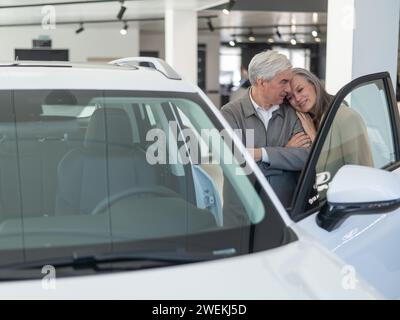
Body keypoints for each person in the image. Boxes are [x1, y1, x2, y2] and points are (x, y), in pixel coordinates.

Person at [220, 51, 310, 208]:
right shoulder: (230, 113)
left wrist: (260, 154)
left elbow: (305, 158)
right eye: (283, 81)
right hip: (242, 211)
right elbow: (234, 164)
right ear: (262, 82)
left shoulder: (293, 112)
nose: (289, 89)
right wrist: (284, 153)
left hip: (286, 210)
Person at [287, 68, 374, 189]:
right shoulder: (304, 122)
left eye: (300, 90)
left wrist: (314, 136)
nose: (297, 98)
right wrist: (287, 149)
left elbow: (362, 172)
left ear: (313, 84)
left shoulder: (346, 118)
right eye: (290, 97)